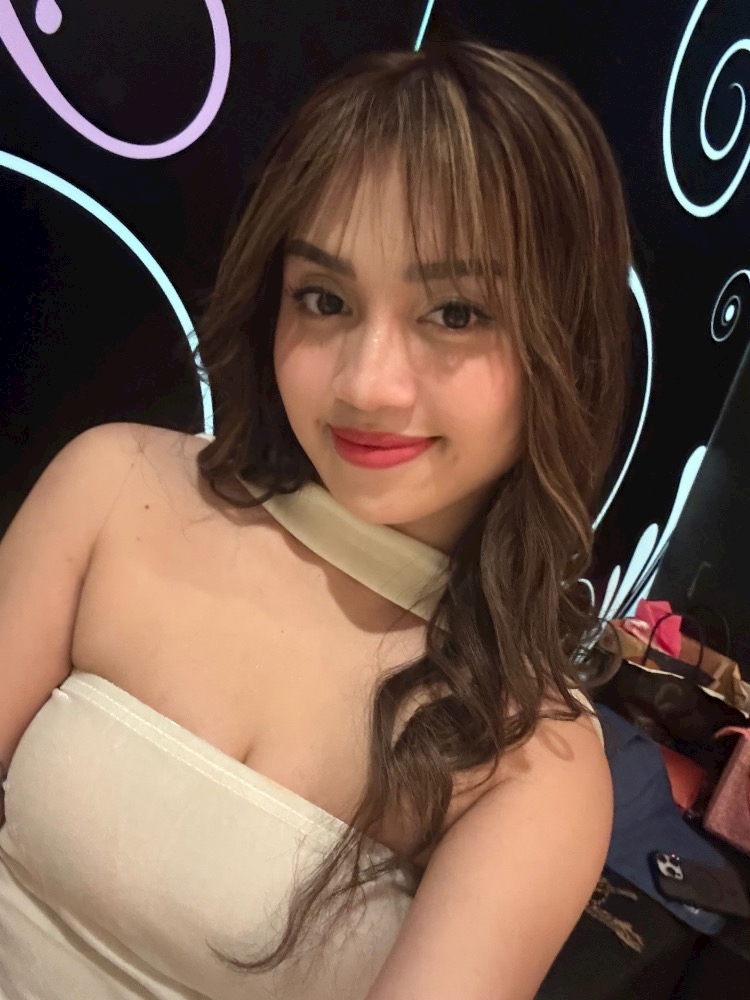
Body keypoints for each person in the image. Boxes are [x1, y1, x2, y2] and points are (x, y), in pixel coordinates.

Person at [0, 32, 631, 1000]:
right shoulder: (114, 486)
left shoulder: (532, 756)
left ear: (565, 346)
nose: (367, 384)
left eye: (455, 313)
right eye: (325, 299)